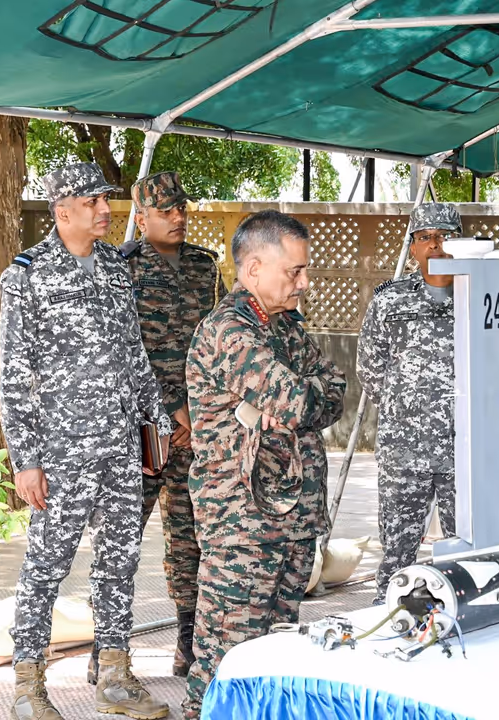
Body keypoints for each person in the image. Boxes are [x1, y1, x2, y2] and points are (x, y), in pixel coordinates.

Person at [0, 161, 174, 720]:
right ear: (62, 209)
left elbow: (134, 353)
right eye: (93, 200)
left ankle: (115, 678)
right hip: (61, 451)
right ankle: (28, 686)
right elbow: (13, 374)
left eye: (105, 198)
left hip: (120, 446)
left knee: (119, 562)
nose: (105, 209)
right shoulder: (26, 276)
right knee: (46, 566)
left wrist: (155, 427)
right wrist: (26, 460)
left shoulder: (115, 267)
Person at [182, 210, 347, 719]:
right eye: (294, 271)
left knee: (275, 658)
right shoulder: (229, 332)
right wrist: (299, 399)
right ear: (253, 268)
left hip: (291, 517)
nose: (304, 281)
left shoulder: (285, 326)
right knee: (226, 659)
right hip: (242, 524)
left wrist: (297, 400)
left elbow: (335, 391)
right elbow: (298, 401)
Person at [119, 171, 227, 679]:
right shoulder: (122, 269)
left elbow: (220, 344)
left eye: (181, 208)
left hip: (194, 429)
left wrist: (195, 411)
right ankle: (110, 648)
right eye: (166, 211)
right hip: (142, 429)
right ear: (141, 219)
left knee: (191, 537)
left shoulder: (205, 267)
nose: (178, 217)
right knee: (122, 535)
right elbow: (123, 350)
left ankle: (188, 642)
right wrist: (167, 409)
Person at [357, 202, 460, 605]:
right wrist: (406, 412)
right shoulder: (390, 301)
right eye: (426, 237)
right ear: (413, 247)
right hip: (405, 451)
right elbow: (370, 368)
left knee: (467, 551)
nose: (436, 245)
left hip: (464, 452)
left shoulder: (481, 297)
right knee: (396, 554)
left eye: (445, 236)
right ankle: (387, 618)